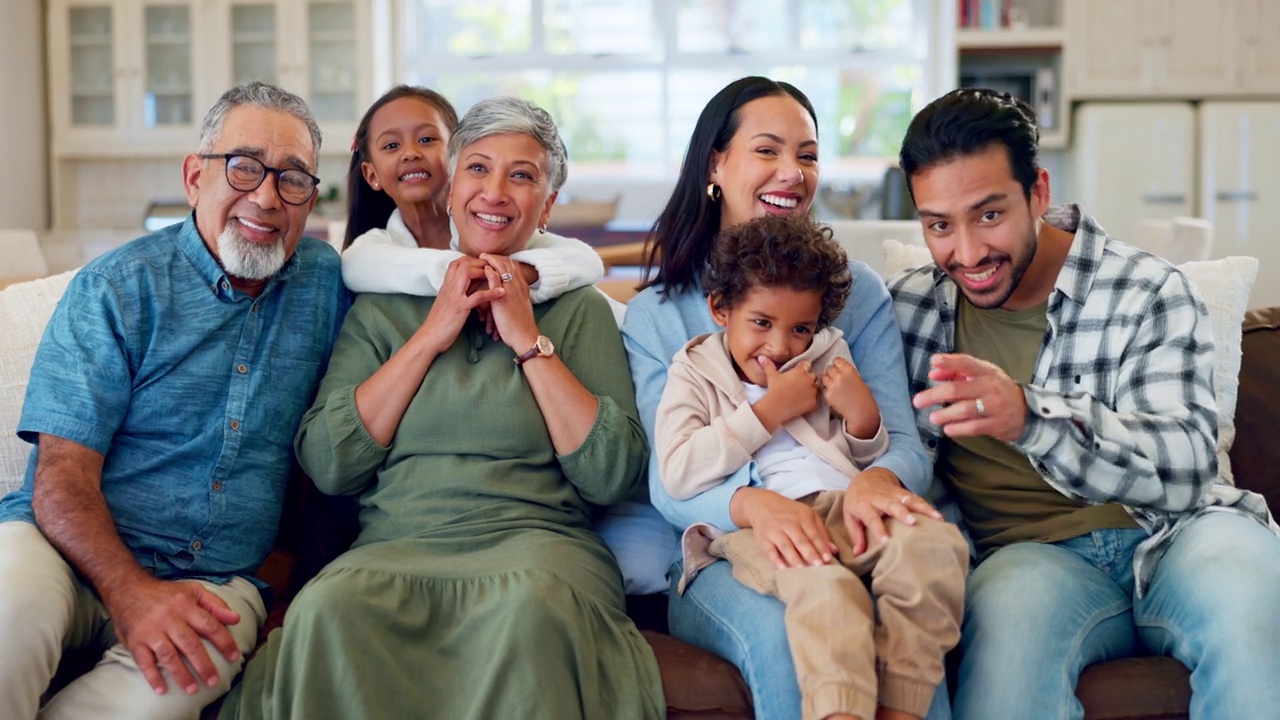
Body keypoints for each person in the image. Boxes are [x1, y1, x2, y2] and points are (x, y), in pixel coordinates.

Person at [218, 96, 664, 720]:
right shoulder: (380, 305)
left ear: (548, 204)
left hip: (538, 549)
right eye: (479, 169)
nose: (497, 192)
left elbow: (611, 473)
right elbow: (330, 462)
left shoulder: (581, 310)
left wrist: (526, 341)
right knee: (328, 609)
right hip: (396, 546)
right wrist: (434, 330)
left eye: (523, 175)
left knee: (533, 610)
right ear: (453, 188)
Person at [888, 87, 1280, 720]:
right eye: (939, 225)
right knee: (1007, 652)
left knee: (1254, 600)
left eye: (989, 215)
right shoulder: (907, 311)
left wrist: (1029, 416)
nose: (966, 252)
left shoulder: (1147, 289)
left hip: (1178, 534)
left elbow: (1184, 468)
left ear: (1038, 192)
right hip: (1028, 561)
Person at [0, 82, 348, 719]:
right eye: (244, 167)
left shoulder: (329, 284)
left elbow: (420, 261)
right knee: (6, 619)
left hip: (215, 582)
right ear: (195, 176)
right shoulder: (116, 287)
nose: (266, 198)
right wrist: (131, 592)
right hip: (61, 550)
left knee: (144, 708)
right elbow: (61, 476)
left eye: (293, 179)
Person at [621, 75, 945, 720]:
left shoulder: (857, 294)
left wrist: (875, 482)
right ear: (716, 163)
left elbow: (902, 442)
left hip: (849, 523)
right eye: (767, 150)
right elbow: (671, 480)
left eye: (808, 154)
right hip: (725, 553)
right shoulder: (660, 316)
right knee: (796, 632)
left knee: (911, 610)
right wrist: (755, 506)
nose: (792, 172)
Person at [655, 214, 966, 720]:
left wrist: (862, 414)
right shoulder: (692, 372)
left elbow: (864, 457)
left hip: (847, 508)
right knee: (829, 592)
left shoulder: (827, 355)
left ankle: (900, 708)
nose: (779, 346)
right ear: (720, 309)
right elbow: (678, 469)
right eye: (761, 323)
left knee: (936, 546)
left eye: (800, 328)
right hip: (759, 528)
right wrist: (768, 411)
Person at [340, 84, 605, 307]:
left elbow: (587, 260)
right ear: (372, 175)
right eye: (391, 145)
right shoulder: (375, 248)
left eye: (426, 139)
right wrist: (464, 274)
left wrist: (521, 272)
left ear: (457, 153)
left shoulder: (495, 226)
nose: (410, 153)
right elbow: (355, 265)